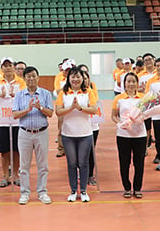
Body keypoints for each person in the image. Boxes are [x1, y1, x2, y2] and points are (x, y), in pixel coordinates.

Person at [55, 66, 98, 202]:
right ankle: (73, 190)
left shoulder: (88, 92)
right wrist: (71, 108)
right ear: (69, 78)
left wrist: (80, 108)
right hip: (68, 134)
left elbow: (93, 109)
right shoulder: (64, 93)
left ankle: (84, 191)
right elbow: (58, 111)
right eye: (72, 76)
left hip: (85, 133)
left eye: (78, 76)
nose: (75, 79)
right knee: (72, 163)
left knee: (83, 162)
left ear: (82, 78)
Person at [12, 66, 53, 205]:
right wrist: (28, 109)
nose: (31, 78)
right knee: (24, 165)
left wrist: (39, 107)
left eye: (33, 76)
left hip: (41, 132)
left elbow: (51, 113)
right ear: (24, 78)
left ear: (38, 77)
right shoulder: (19, 95)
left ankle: (42, 192)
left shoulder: (46, 94)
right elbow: (15, 114)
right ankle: (24, 193)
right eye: (28, 76)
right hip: (24, 133)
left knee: (43, 165)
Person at [111, 72, 146, 198]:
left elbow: (147, 114)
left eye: (133, 81)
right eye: (128, 81)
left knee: (139, 163)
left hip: (140, 135)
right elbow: (114, 116)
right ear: (124, 84)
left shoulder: (143, 98)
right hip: (123, 135)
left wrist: (140, 118)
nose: (131, 84)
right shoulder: (118, 98)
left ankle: (137, 188)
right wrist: (120, 123)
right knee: (124, 162)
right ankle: (126, 187)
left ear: (137, 83)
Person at [0, 57, 26, 188]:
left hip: (17, 120)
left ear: (13, 67)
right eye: (4, 65)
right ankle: (5, 176)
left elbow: (23, 96)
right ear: (2, 68)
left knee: (17, 149)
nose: (7, 68)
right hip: (2, 121)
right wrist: (3, 95)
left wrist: (14, 95)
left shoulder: (20, 82)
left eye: (9, 65)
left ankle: (16, 175)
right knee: (4, 150)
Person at [53, 59, 73, 157]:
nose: (67, 72)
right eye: (66, 70)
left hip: (73, 107)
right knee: (61, 128)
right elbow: (57, 91)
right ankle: (61, 148)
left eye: (70, 70)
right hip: (61, 106)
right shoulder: (59, 77)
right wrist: (68, 85)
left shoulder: (76, 78)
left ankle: (71, 148)